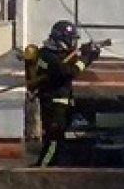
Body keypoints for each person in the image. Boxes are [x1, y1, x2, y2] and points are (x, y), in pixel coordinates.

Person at [32, 19, 100, 168]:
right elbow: (67, 72)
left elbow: (68, 61)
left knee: (57, 141)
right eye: (71, 40)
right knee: (54, 141)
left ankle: (49, 168)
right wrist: (87, 59)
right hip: (54, 105)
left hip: (60, 104)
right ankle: (41, 170)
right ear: (61, 39)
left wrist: (85, 51)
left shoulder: (51, 54)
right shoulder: (48, 57)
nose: (73, 43)